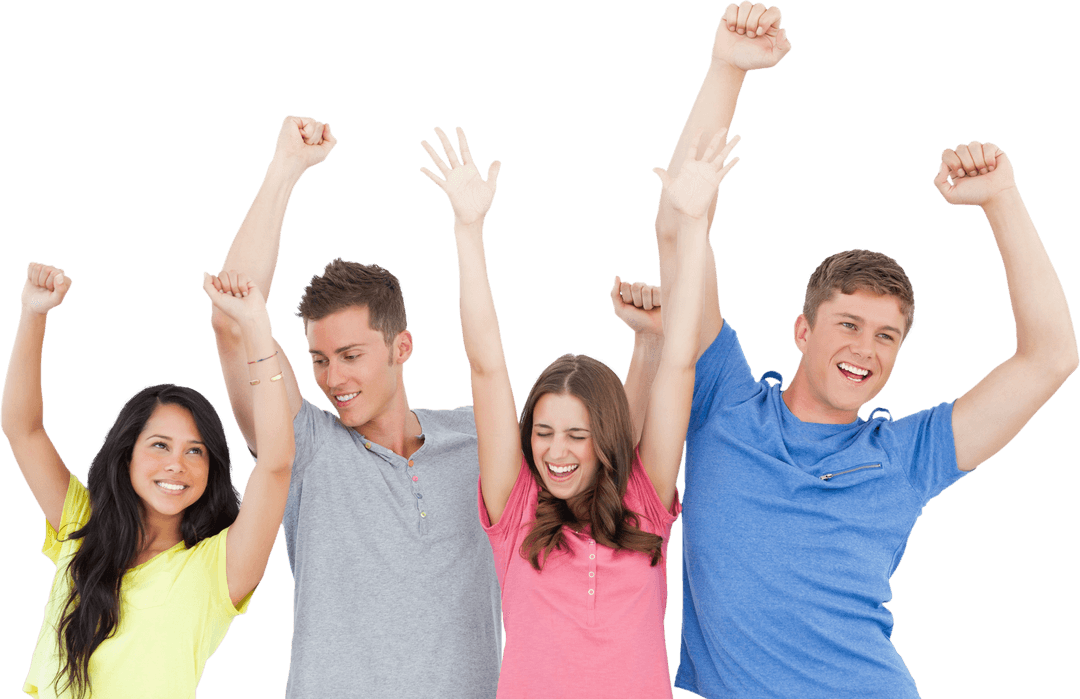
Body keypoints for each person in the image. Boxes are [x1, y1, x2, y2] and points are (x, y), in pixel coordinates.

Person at [640, 6, 1079, 698]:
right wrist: (727, 67)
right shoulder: (723, 399)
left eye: (886, 335)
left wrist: (1003, 198)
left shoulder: (907, 455)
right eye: (848, 325)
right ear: (803, 330)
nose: (865, 350)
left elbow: (1052, 356)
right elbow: (677, 226)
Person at [419, 123, 740, 698]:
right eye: (543, 433)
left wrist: (693, 227)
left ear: (607, 441)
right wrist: (468, 231)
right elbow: (486, 368)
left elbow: (680, 368)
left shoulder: (645, 503)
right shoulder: (514, 511)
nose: (556, 452)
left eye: (577, 435)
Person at [209, 116, 502, 698]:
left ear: (402, 347)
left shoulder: (477, 439)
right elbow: (230, 319)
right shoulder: (305, 448)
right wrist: (284, 169)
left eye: (349, 355)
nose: (332, 378)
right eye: (318, 359)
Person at [1, 262, 294, 698]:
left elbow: (275, 464)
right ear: (127, 455)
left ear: (212, 467)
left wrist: (255, 327)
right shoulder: (83, 528)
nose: (176, 464)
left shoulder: (219, 567)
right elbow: (21, 428)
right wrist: (32, 312)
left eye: (195, 451)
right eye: (159, 445)